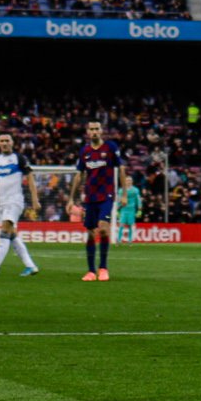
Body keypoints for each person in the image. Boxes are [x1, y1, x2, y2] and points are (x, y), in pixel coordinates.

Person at [0, 129, 41, 278]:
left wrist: (35, 198)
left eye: (8, 140)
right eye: (2, 141)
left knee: (4, 231)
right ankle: (30, 266)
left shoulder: (19, 158)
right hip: (1, 203)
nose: (5, 143)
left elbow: (30, 178)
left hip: (15, 201)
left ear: (12, 142)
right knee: (12, 235)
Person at [76, 120, 122, 282]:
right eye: (91, 129)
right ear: (88, 132)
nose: (94, 132)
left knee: (103, 229)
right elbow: (79, 174)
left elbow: (120, 167)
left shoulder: (110, 147)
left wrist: (123, 193)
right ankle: (90, 271)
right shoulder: (85, 151)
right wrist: (70, 198)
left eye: (97, 129)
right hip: (90, 197)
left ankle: (103, 268)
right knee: (90, 234)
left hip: (107, 195)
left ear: (101, 131)